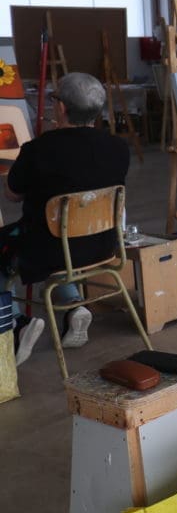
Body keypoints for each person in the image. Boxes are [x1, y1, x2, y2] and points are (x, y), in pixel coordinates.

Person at [5, 73, 129, 365]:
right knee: (60, 237)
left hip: (49, 248)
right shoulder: (118, 148)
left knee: (20, 244)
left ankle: (16, 323)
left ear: (60, 108)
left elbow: (12, 194)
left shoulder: (39, 149)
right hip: (103, 245)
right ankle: (73, 305)